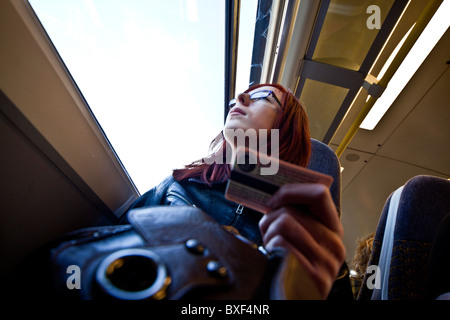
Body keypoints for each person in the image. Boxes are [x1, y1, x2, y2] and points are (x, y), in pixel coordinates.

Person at [124, 83, 347, 299]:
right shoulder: (178, 186)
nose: (240, 97)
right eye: (238, 97)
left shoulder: (301, 229)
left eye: (264, 97)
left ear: (286, 130)